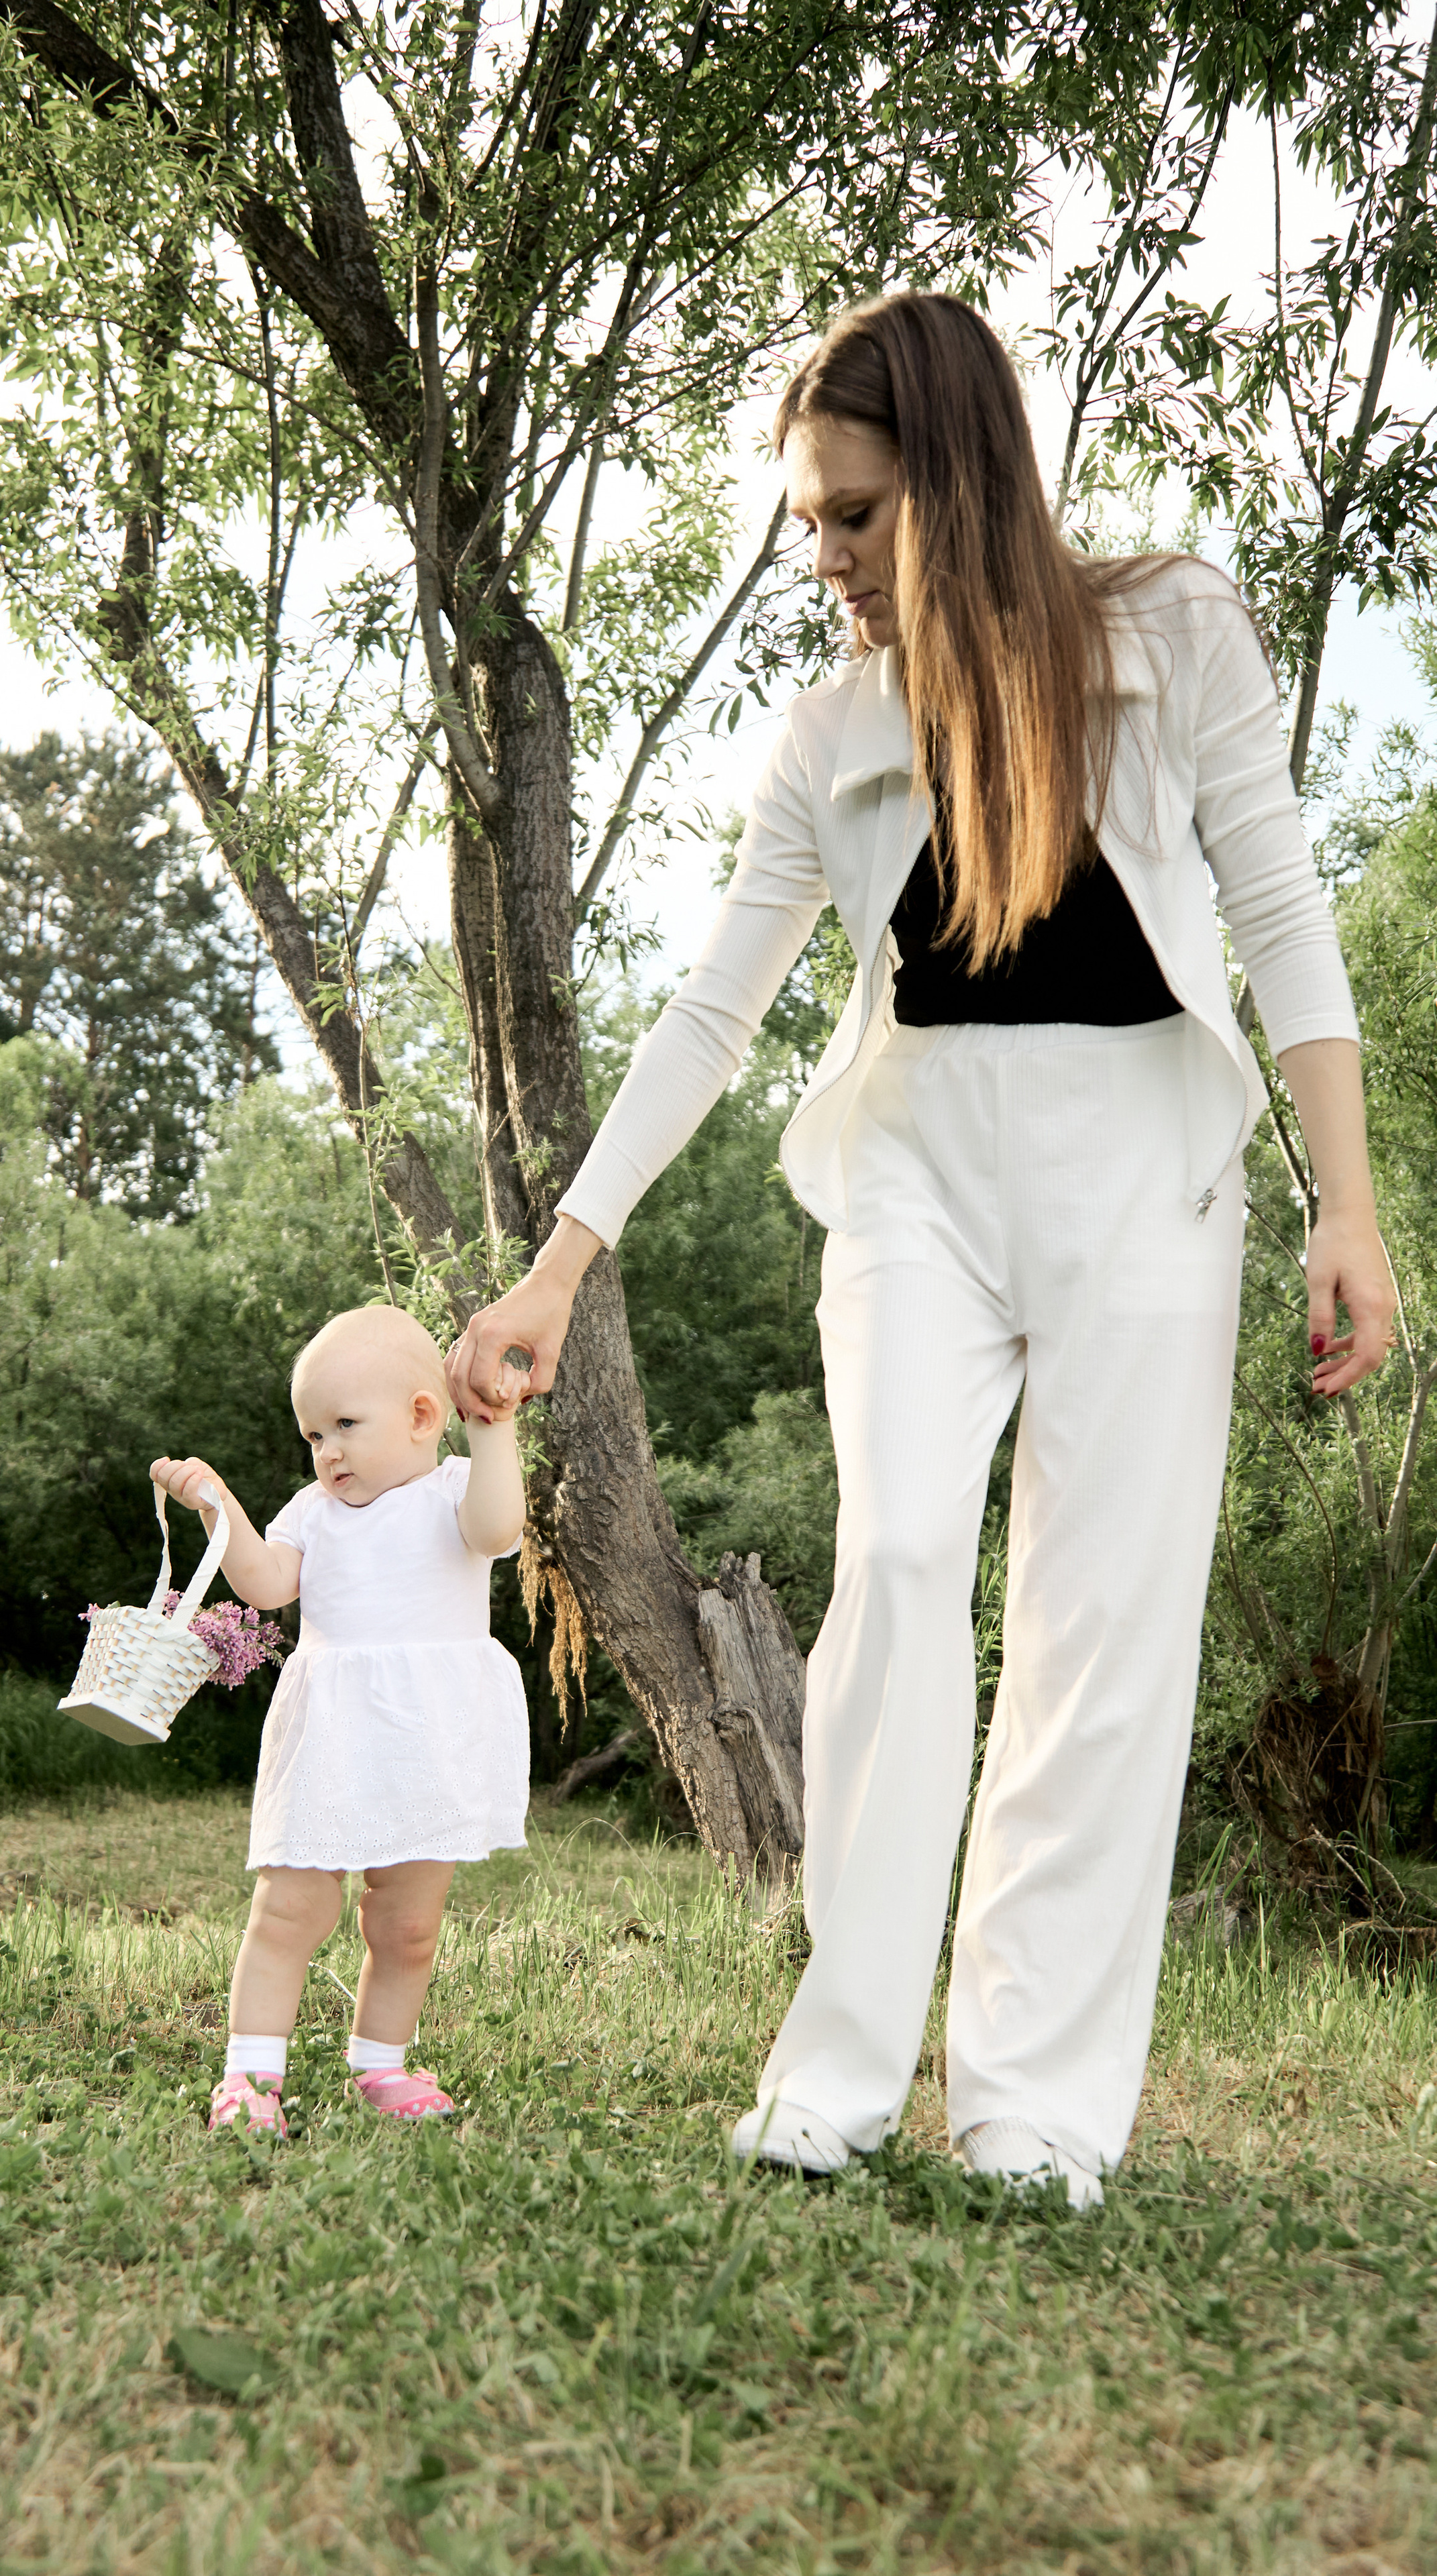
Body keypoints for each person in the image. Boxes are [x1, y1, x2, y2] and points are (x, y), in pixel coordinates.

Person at [446, 292, 1394, 2208]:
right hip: (916, 1180)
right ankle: (843, 2070)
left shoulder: (1175, 634)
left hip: (1142, 1164)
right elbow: (717, 1008)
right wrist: (562, 1262)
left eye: (854, 515)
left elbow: (1283, 907)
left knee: (1099, 1625)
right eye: (810, 519)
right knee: (887, 1565)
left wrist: (1347, 1204)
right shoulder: (831, 734)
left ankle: (1036, 2104)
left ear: (959, 486)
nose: (827, 561)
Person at [153, 1303, 528, 2137]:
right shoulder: (311, 1512)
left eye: (344, 1427)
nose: (325, 1452)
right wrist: (219, 1508)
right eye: (313, 1436)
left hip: (429, 1740)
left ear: (423, 1417)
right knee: (291, 1909)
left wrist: (493, 1427)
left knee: (408, 1925)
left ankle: (380, 2065)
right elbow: (263, 1583)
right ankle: (250, 2077)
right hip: (332, 1739)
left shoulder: (456, 1492)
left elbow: (501, 1528)